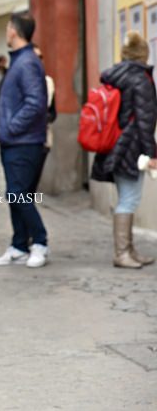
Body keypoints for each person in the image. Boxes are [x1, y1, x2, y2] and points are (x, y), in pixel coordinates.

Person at [91, 31, 157, 269]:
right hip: (131, 146)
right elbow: (145, 120)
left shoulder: (116, 76)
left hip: (115, 145)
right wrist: (153, 154)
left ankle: (129, 250)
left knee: (126, 197)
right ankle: (122, 253)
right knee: (129, 199)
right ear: (143, 54)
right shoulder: (140, 80)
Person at [0, 11, 50, 268]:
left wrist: (12, 127)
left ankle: (40, 242)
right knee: (15, 193)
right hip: (14, 141)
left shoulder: (26, 63)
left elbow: (36, 103)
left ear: (14, 30)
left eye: (7, 28)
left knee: (18, 194)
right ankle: (18, 245)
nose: (6, 32)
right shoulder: (20, 61)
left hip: (24, 142)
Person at [31, 44, 57, 190]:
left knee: (31, 188)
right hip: (22, 141)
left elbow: (54, 112)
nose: (39, 60)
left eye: (41, 57)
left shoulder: (48, 83)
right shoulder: (18, 80)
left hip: (42, 140)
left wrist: (45, 118)